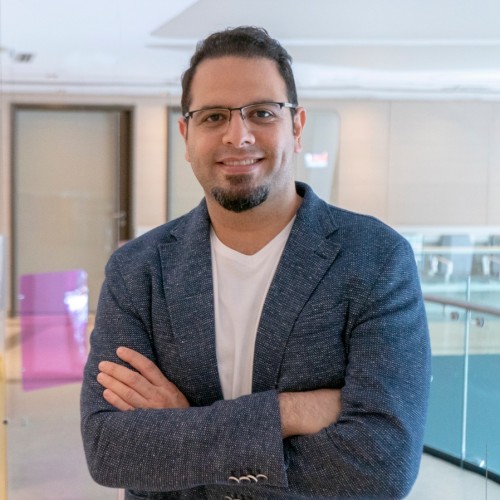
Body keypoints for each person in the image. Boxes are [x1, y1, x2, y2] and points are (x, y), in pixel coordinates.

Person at [81, 26, 431, 499]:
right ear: (186, 136)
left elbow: (382, 465)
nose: (238, 135)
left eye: (262, 113)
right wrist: (289, 412)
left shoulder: (376, 258)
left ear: (297, 127)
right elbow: (109, 449)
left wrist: (183, 428)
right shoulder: (136, 271)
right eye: (213, 117)